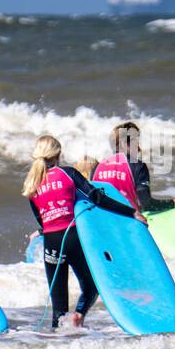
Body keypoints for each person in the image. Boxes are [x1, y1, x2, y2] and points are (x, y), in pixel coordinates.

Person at [23, 134, 145, 328]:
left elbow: (44, 220)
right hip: (73, 238)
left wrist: (40, 231)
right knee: (91, 286)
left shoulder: (32, 185)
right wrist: (131, 212)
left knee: (58, 307)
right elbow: (97, 198)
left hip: (51, 244)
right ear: (58, 154)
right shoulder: (68, 173)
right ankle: (78, 317)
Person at [92, 121, 175, 212]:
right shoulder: (138, 166)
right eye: (135, 141)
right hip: (127, 220)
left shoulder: (97, 167)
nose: (138, 147)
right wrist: (172, 203)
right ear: (122, 144)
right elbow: (147, 204)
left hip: (100, 220)